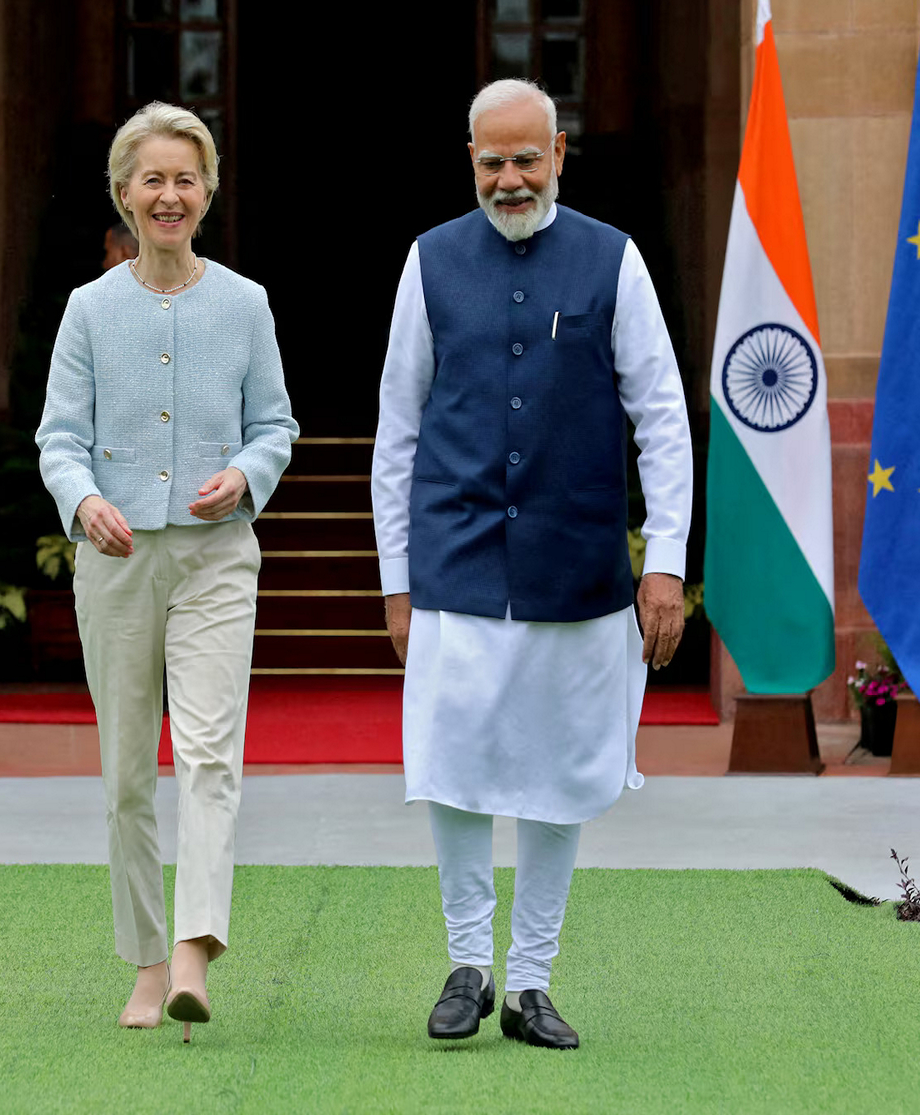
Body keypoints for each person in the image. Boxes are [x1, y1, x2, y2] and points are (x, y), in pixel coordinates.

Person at [371, 79, 692, 1049]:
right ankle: (468, 965)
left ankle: (532, 983)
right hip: (456, 560)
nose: (509, 179)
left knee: (562, 773)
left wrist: (665, 562)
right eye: (491, 162)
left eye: (525, 158)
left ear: (558, 153)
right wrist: (396, 579)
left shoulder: (614, 259)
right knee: (454, 766)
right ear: (469, 162)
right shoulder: (428, 260)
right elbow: (397, 430)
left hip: (577, 567)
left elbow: (662, 418)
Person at [37, 101, 298, 1040]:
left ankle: (194, 949)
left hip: (216, 558)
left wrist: (248, 474)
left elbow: (276, 424)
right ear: (123, 193)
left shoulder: (245, 303)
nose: (169, 195)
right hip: (116, 564)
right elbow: (58, 439)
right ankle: (147, 964)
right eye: (152, 179)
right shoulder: (88, 309)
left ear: (209, 192)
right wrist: (84, 502)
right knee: (125, 777)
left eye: (186, 178)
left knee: (209, 755)